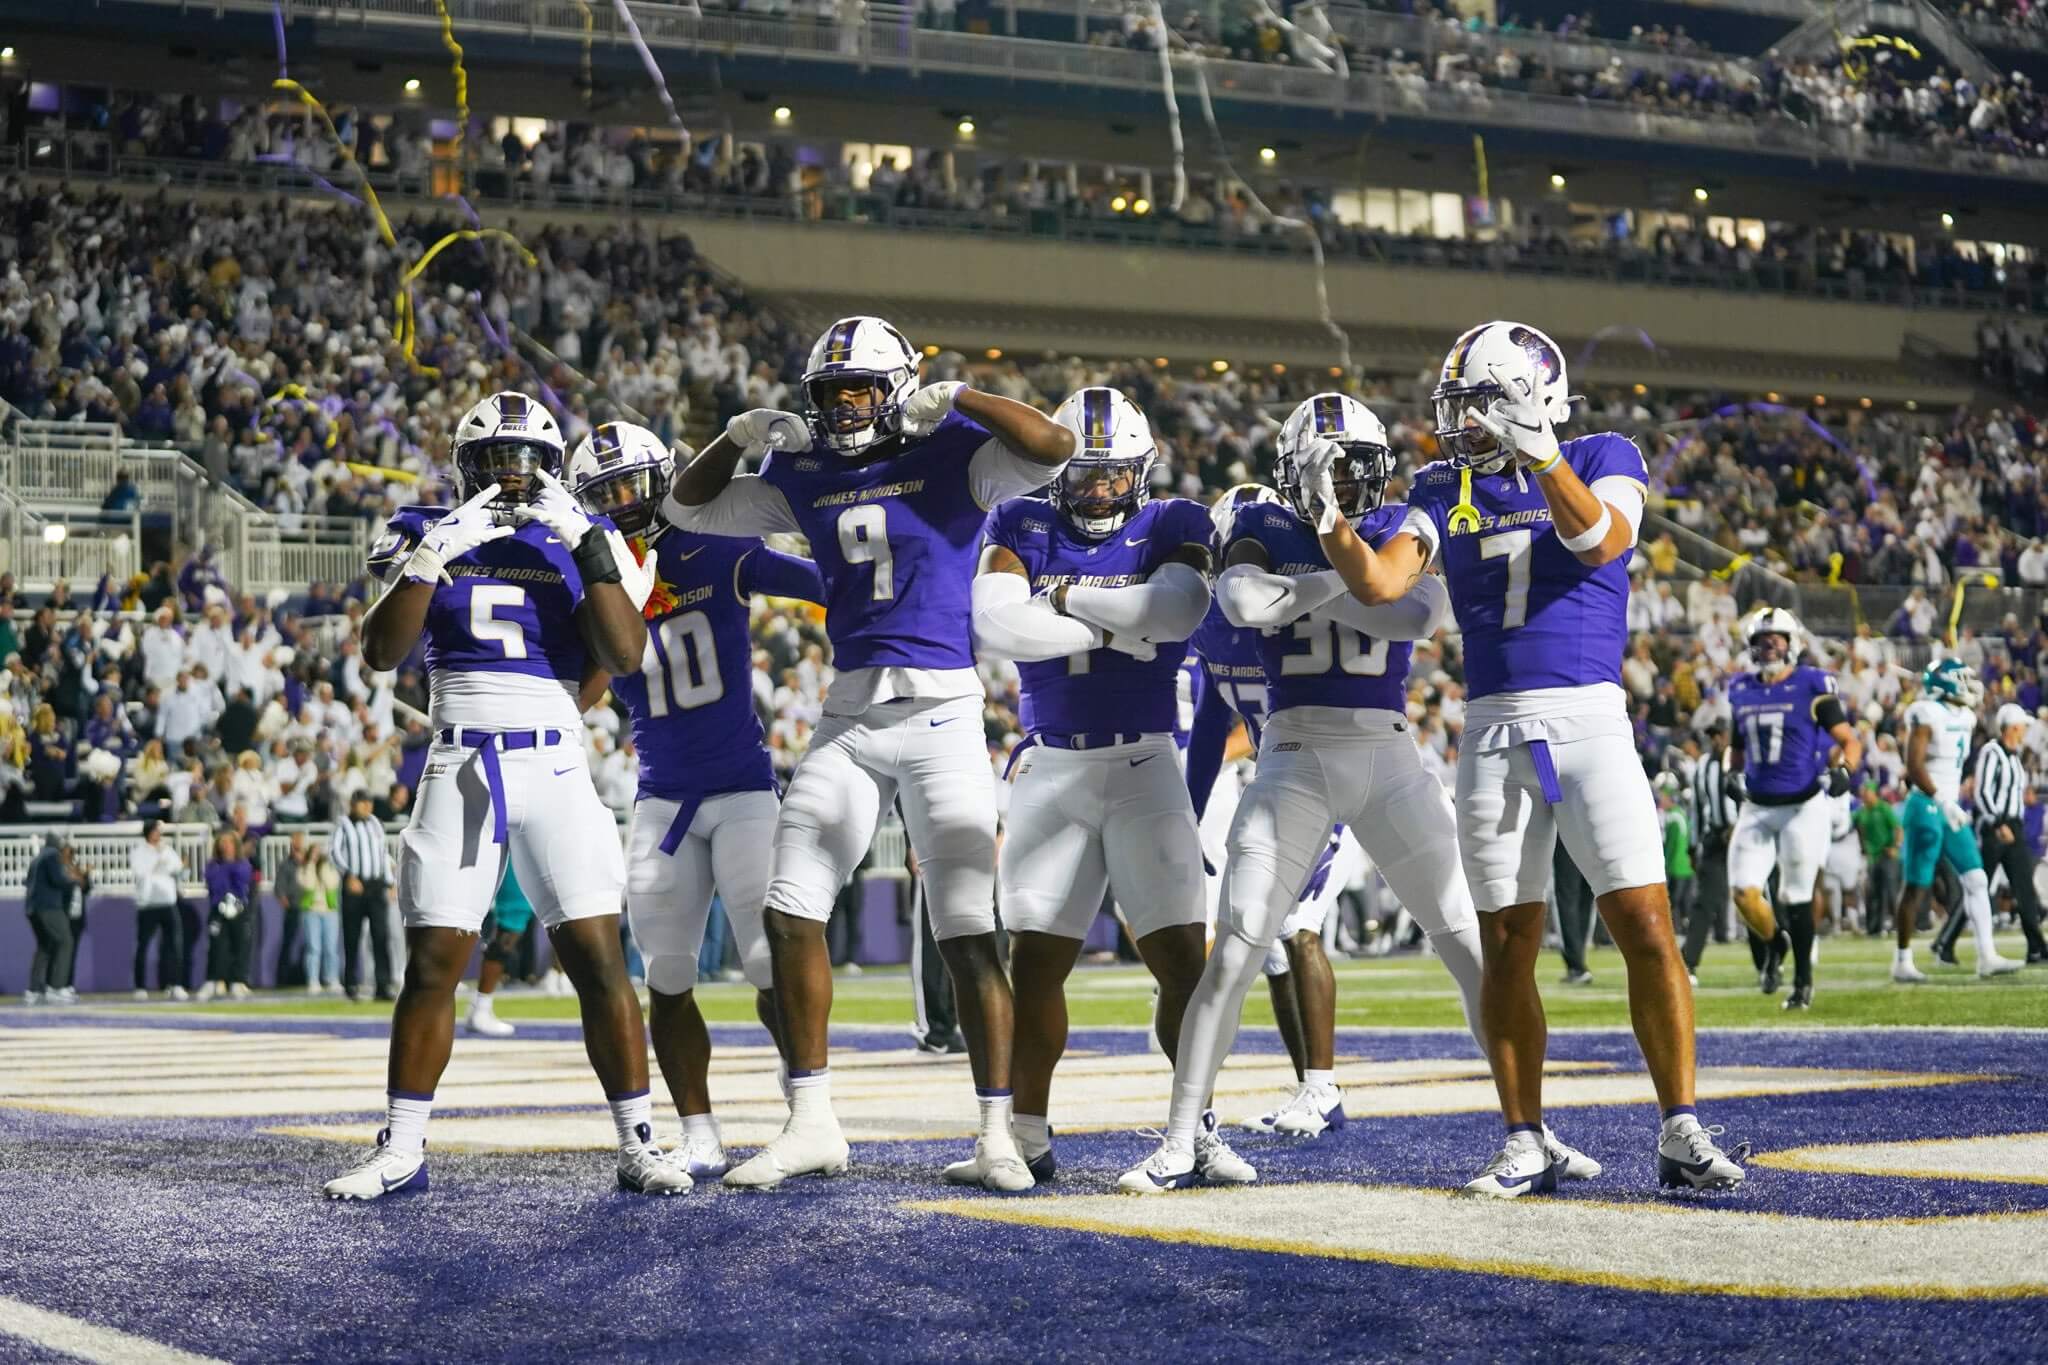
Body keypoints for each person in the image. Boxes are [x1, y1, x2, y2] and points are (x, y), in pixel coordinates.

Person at [1313, 321, 1744, 1194]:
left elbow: (1601, 541)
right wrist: (1327, 520)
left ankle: (1680, 1125)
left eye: (1478, 403)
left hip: (1591, 721)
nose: (1461, 422)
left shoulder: (1601, 451)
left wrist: (1544, 456)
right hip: (1497, 728)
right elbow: (1382, 582)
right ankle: (1524, 1136)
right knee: (1508, 943)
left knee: (1647, 928)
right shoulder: (1445, 482)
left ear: (1527, 396)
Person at [663, 317, 1074, 1191]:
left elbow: (1055, 447)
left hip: (942, 711)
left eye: (861, 388)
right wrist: (732, 437)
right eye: (832, 391)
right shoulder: (803, 468)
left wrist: (961, 392)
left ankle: (997, 1134)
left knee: (966, 929)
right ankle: (810, 1120)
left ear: (897, 387)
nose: (846, 405)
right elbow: (687, 507)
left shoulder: (956, 445)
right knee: (788, 908)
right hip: (849, 711)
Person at [1121, 391, 1498, 1194]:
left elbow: (1419, 616)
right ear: (1298, 470)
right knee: (1239, 948)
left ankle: (1527, 1128)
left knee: (1467, 939)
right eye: (1335, 470)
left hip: (1389, 753)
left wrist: (1325, 573)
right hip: (1292, 753)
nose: (1352, 484)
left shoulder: (1397, 525)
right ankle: (1183, 1137)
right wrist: (1353, 576)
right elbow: (1244, 601)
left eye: (1361, 469)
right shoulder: (1264, 525)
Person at [322, 390, 688, 1201]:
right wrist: (429, 558)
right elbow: (383, 652)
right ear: (466, 467)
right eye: (497, 460)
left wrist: (589, 544)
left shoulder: (579, 536)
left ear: (554, 468)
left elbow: (623, 658)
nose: (514, 476)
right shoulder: (425, 529)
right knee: (433, 962)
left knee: (598, 960)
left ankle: (638, 1142)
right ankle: (404, 1147)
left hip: (556, 765)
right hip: (461, 761)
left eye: (529, 460)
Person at [569, 419, 827, 1179]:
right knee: (669, 971)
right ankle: (700, 1129)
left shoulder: (716, 544)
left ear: (661, 478)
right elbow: (576, 688)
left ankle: (806, 1108)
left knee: (766, 962)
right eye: (603, 493)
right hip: (661, 799)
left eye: (629, 485)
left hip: (743, 787)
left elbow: (824, 587)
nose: (620, 503)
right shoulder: (594, 582)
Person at [971, 387, 1215, 1185]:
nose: (1100, 490)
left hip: (1147, 762)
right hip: (1053, 763)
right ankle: (1028, 1135)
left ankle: (1195, 1130)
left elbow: (1176, 610)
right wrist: (1123, 621)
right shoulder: (1019, 518)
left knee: (1185, 961)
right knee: (1035, 962)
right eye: (1086, 474)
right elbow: (998, 623)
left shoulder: (1176, 520)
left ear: (1141, 471)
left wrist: (1068, 596)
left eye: (1114, 476)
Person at [1724, 607, 1862, 1010]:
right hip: (1757, 805)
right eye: (1761, 642)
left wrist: (1845, 769)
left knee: (1796, 896)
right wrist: (1731, 772)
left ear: (1792, 643)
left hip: (1803, 804)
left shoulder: (1811, 684)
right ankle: (1774, 942)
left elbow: (1848, 739)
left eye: (1776, 640)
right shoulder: (1741, 688)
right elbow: (1736, 745)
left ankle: (1803, 981)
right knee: (1744, 893)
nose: (1768, 648)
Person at [1891, 659, 2022, 982]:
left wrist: (1953, 796)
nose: (1968, 684)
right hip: (1926, 806)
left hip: (1950, 806)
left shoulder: (1964, 715)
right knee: (1917, 885)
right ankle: (1902, 960)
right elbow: (1913, 765)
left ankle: (1986, 956)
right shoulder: (1926, 712)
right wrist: (1941, 799)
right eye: (1961, 679)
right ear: (1945, 682)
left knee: (1976, 878)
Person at [1932, 703, 2048, 965]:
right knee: (1977, 886)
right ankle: (1944, 943)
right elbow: (1982, 791)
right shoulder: (1991, 752)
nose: (2025, 732)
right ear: (2013, 727)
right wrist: (1997, 823)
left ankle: (2036, 947)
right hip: (1995, 827)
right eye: (2023, 727)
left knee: (2024, 887)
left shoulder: (2015, 757)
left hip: (2013, 826)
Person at [329, 791, 395, 1003]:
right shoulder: (343, 824)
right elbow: (334, 852)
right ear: (353, 804)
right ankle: (351, 984)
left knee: (381, 936)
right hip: (355, 885)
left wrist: (390, 880)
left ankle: (383, 985)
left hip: (376, 886)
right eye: (363, 803)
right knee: (352, 937)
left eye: (369, 803)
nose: (367, 807)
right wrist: (348, 875)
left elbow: (381, 853)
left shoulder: (376, 823)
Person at [464, 864, 534, 1038]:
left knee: (514, 920)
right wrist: (501, 839)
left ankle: (481, 1006)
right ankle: (481, 1006)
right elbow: (500, 835)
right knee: (513, 918)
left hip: (515, 842)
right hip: (508, 843)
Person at [130, 818, 189, 999]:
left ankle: (176, 984)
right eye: (156, 830)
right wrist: (159, 861)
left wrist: (182, 868)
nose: (159, 834)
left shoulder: (167, 850)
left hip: (168, 902)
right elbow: (140, 873)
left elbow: (179, 871)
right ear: (148, 832)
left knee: (175, 945)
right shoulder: (138, 852)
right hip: (147, 904)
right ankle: (140, 986)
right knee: (143, 946)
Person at [23, 833, 81, 1005]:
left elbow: (27, 882)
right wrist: (74, 879)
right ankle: (56, 988)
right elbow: (58, 880)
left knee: (45, 946)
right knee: (66, 941)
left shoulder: (37, 858)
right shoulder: (52, 856)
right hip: (48, 908)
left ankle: (34, 990)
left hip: (32, 909)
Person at [199, 830, 256, 1001]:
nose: (225, 846)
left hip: (238, 907)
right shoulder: (213, 865)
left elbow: (241, 881)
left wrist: (229, 868)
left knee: (240, 944)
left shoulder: (243, 863)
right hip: (218, 908)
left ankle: (237, 981)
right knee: (217, 945)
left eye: (229, 842)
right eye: (222, 842)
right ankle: (213, 980)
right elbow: (215, 882)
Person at [1656, 773, 1696, 983]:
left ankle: (1676, 937)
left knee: (1676, 907)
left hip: (1676, 868)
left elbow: (1670, 847)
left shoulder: (1672, 817)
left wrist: (1665, 866)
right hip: (1686, 868)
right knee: (1683, 907)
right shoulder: (1681, 814)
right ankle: (1680, 934)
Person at [1856, 779, 1903, 938]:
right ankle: (1873, 927)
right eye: (1863, 792)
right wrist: (1863, 847)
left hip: (1887, 854)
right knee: (1872, 892)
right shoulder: (1863, 811)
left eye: (1866, 792)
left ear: (1874, 793)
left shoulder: (1884, 808)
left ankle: (1898, 925)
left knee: (1891, 892)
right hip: (1872, 856)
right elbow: (1857, 827)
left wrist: (1896, 847)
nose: (1864, 795)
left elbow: (1897, 828)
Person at [301, 843, 343, 994]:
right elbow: (308, 886)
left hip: (329, 911)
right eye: (314, 853)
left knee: (331, 948)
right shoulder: (305, 869)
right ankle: (313, 980)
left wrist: (323, 867)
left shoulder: (330, 869)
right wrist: (311, 865)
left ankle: (332, 979)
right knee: (314, 947)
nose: (317, 856)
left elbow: (332, 883)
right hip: (311, 911)